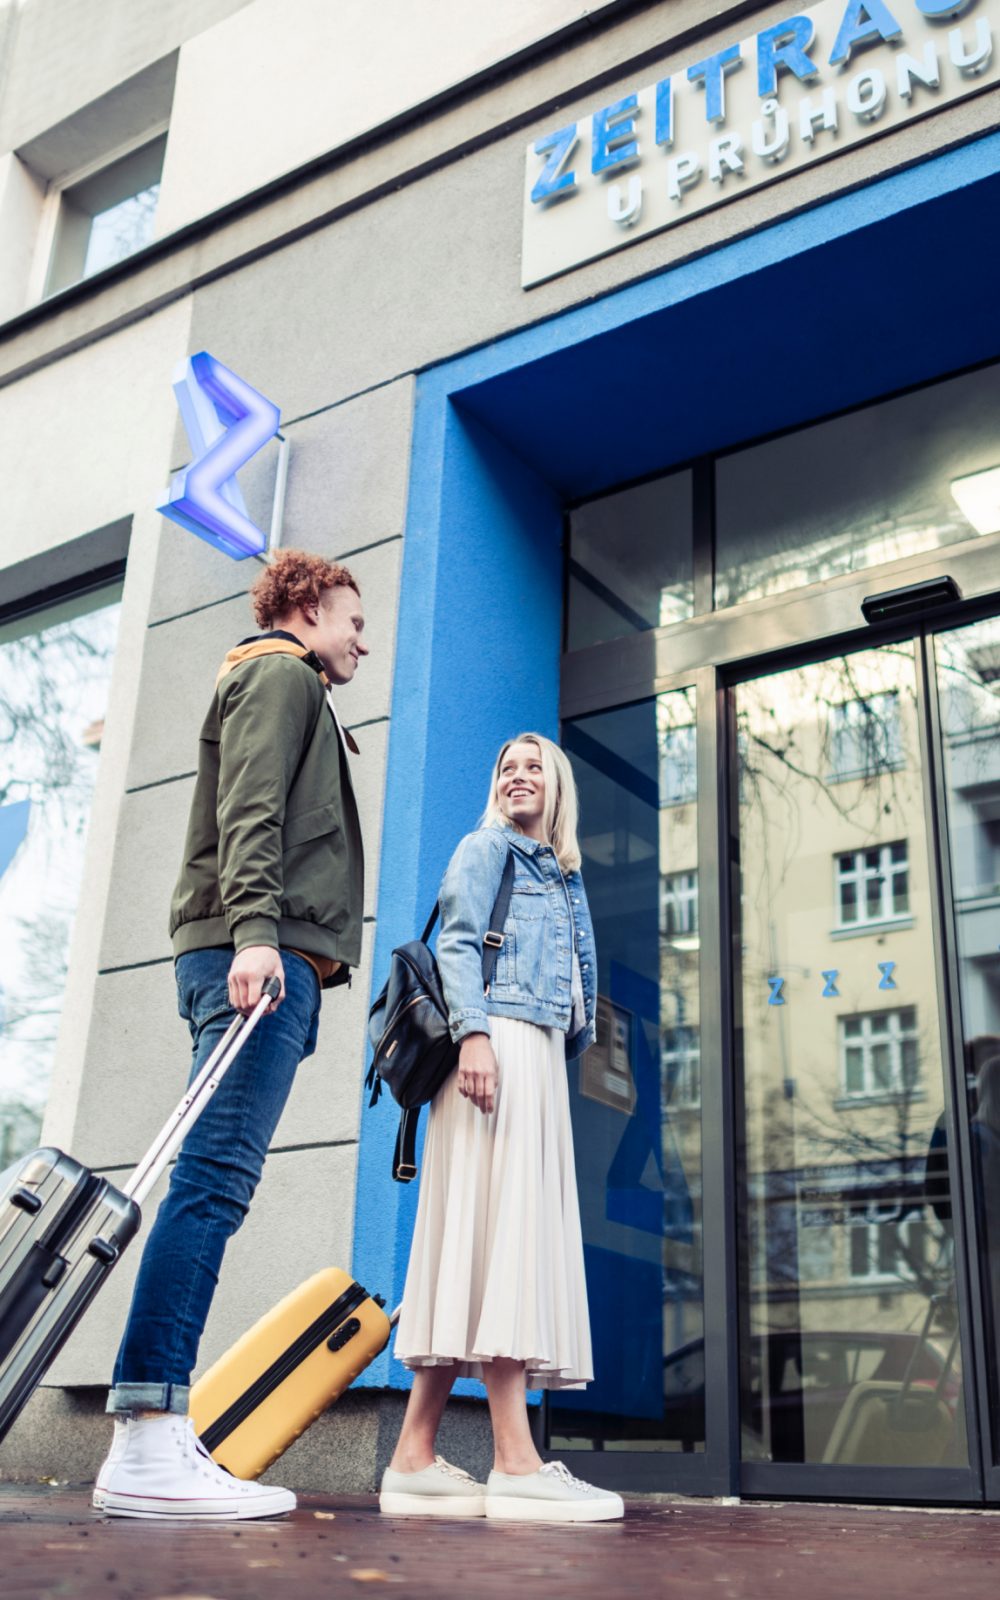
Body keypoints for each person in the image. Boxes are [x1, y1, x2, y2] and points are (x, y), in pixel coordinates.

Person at [93, 549, 368, 1520]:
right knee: (211, 1183)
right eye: (351, 616)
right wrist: (257, 935)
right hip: (256, 956)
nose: (361, 638)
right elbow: (246, 808)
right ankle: (147, 1437)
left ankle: (160, 1434)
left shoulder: (281, 682)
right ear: (304, 604)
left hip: (269, 957)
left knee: (215, 1183)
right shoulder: (276, 673)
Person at [381, 733, 624, 1523]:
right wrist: (476, 1036)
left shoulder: (558, 871)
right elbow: (455, 940)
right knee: (503, 1243)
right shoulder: (487, 847)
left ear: (557, 790)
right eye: (506, 769)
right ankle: (516, 1464)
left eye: (534, 769)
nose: (519, 778)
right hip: (497, 1049)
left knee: (480, 1250)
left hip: (535, 1056)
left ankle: (413, 1457)